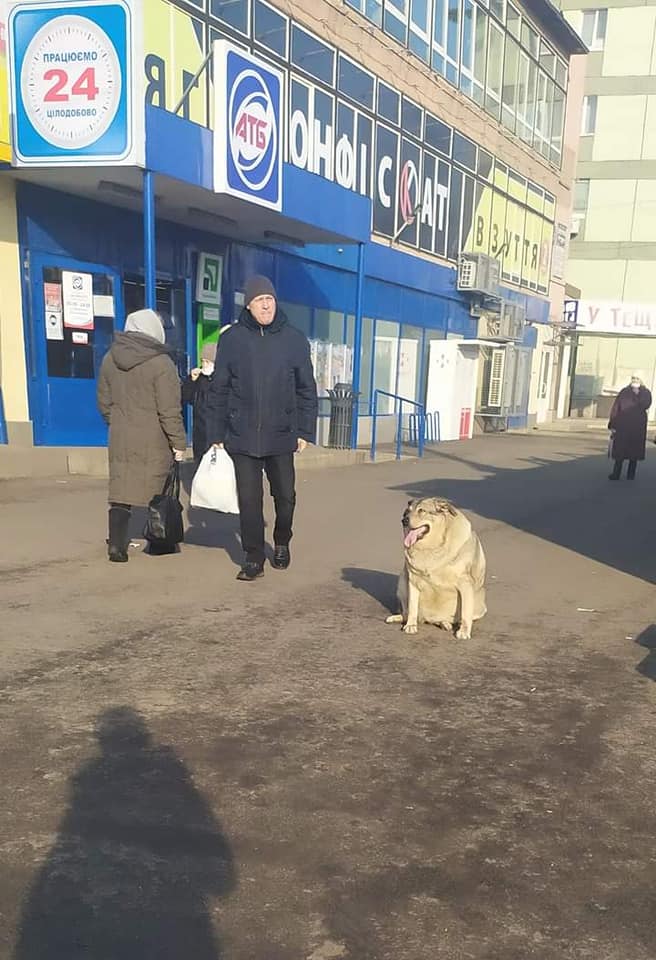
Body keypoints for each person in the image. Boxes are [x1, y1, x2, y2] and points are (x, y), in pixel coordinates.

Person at [207, 275, 318, 581]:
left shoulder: (294, 339)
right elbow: (219, 388)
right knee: (249, 501)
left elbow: (306, 388)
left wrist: (305, 430)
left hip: (282, 434)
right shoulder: (232, 339)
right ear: (249, 306)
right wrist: (215, 432)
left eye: (269, 299)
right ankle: (253, 557)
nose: (266, 304)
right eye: (259, 300)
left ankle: (282, 541)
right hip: (242, 435)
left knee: (285, 497)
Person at [97, 309, 187, 562]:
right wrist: (179, 443)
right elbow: (169, 409)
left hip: (121, 435)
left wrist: (116, 423)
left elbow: (104, 401)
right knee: (157, 490)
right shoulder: (162, 363)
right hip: (154, 437)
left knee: (120, 491)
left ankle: (116, 546)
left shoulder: (109, 358)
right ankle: (158, 542)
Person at [607, 374, 652, 481]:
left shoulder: (645, 392)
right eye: (633, 378)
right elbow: (616, 407)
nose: (634, 380)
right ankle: (616, 474)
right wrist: (612, 424)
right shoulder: (624, 391)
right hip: (623, 426)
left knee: (634, 452)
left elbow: (646, 404)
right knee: (620, 451)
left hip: (637, 427)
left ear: (641, 380)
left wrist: (638, 395)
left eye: (637, 379)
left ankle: (630, 475)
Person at [182, 342, 217, 463]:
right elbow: (186, 397)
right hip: (200, 433)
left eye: (208, 362)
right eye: (203, 361)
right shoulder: (199, 379)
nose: (204, 365)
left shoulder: (221, 379)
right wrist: (191, 380)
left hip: (216, 434)